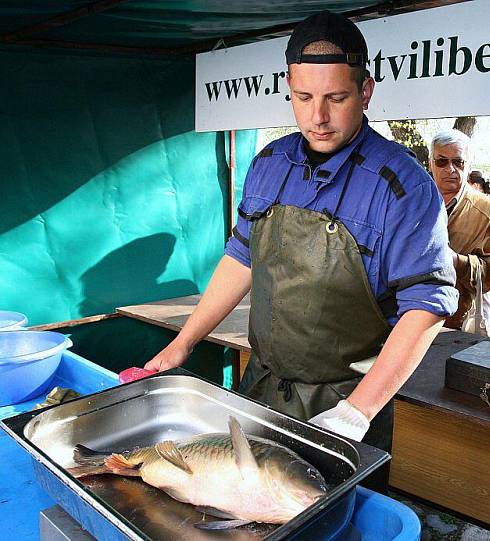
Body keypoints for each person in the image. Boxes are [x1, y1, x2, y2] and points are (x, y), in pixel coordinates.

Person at [144, 11, 458, 459]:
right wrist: (183, 343)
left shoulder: (402, 186)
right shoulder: (270, 163)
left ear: (366, 91)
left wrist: (359, 410)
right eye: (303, 97)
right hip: (263, 384)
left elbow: (428, 305)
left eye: (337, 97)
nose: (319, 116)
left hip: (348, 400)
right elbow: (241, 256)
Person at [429, 129, 490, 332]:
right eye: (442, 161)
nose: (450, 169)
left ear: (468, 165)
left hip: (456, 320)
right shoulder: (411, 201)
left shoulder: (487, 210)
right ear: (431, 163)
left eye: (458, 162)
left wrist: (456, 261)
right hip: (408, 314)